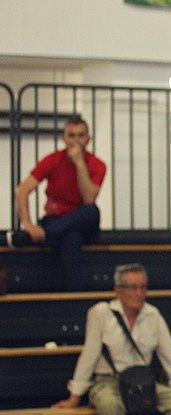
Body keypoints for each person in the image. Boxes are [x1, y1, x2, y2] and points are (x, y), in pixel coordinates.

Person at [53, 263, 171, 415]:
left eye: (143, 288)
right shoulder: (101, 313)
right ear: (117, 290)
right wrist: (75, 396)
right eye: (132, 288)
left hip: (142, 382)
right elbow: (89, 355)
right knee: (111, 406)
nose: (139, 293)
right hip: (107, 382)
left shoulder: (153, 314)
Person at [8, 114, 106, 291]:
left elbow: (88, 198)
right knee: (71, 238)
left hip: (82, 221)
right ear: (64, 138)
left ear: (88, 139)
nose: (76, 140)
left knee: (91, 211)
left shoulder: (97, 164)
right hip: (57, 220)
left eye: (81, 135)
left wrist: (79, 164)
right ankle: (74, 298)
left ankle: (32, 239)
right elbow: (22, 190)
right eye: (71, 135)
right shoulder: (53, 159)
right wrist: (28, 224)